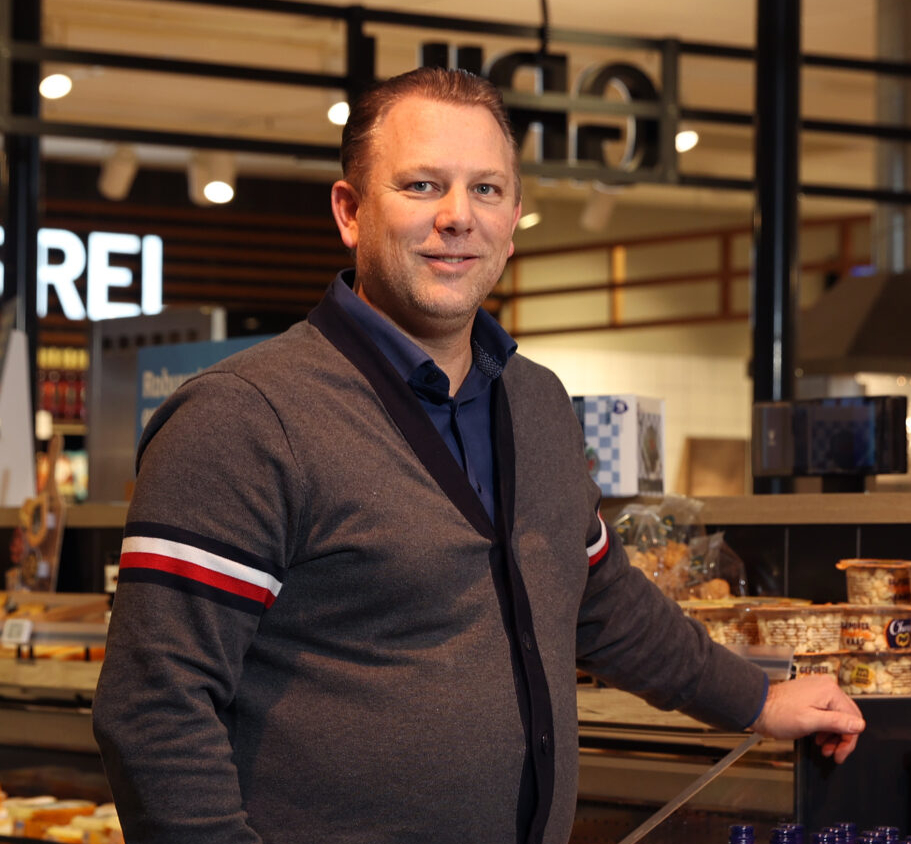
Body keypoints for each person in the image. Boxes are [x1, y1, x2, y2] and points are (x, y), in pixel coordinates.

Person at [92, 66, 863, 844]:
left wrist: (756, 700)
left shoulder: (538, 403)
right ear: (350, 212)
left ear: (515, 214)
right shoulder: (245, 417)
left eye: (487, 190)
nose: (458, 217)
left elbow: (601, 601)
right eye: (423, 185)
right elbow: (155, 706)